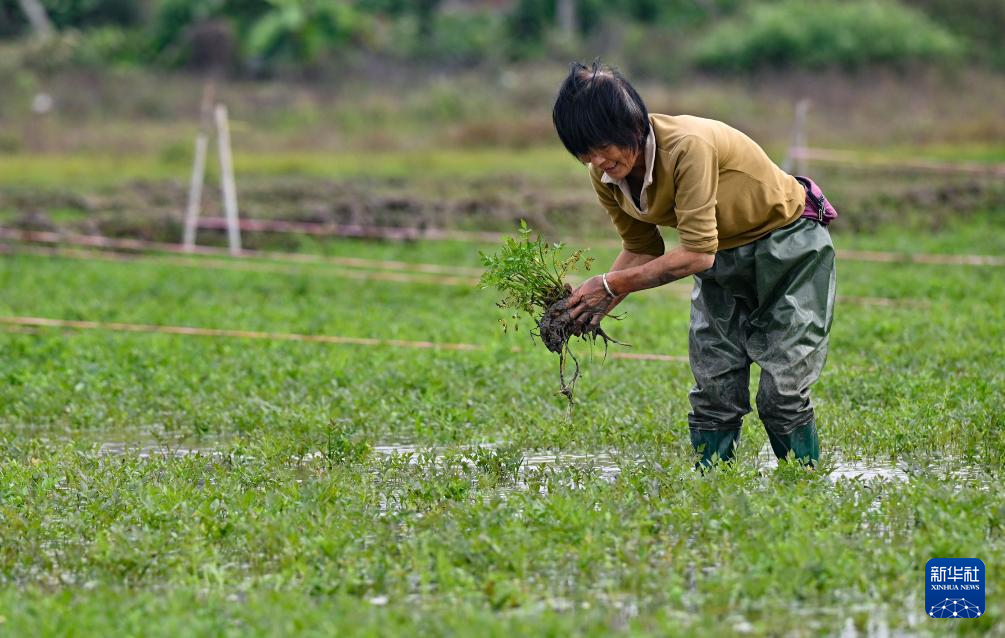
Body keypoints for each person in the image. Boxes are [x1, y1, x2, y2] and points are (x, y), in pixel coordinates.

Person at [551, 61, 836, 468]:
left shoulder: (687, 146)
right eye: (584, 152)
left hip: (788, 249)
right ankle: (711, 487)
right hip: (722, 260)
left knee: (782, 392)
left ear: (631, 125)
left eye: (602, 146)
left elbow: (698, 253)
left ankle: (802, 482)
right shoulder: (607, 174)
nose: (596, 160)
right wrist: (589, 306)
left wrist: (609, 285)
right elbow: (641, 247)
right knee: (714, 388)